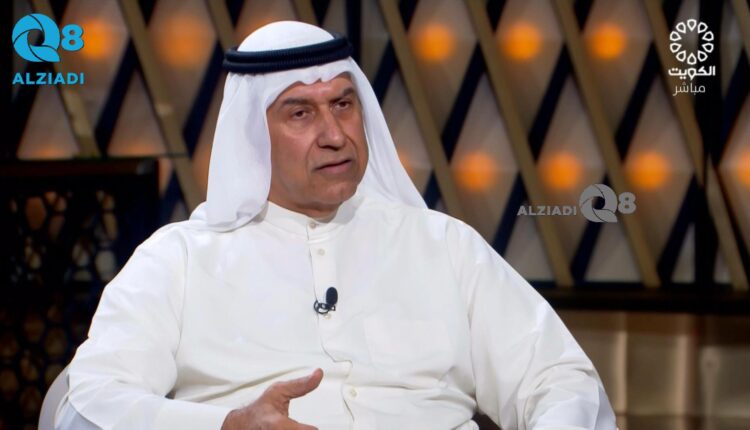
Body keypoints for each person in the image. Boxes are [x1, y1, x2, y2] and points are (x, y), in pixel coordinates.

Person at [55, 21, 616, 430]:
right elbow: (89, 403)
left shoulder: (442, 245)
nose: (334, 135)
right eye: (301, 113)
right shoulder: (178, 260)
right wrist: (224, 425)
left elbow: (559, 379)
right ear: (252, 134)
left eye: (344, 105)